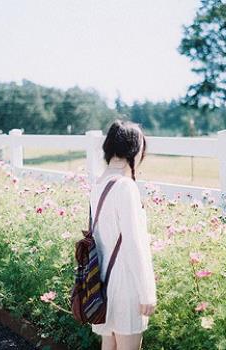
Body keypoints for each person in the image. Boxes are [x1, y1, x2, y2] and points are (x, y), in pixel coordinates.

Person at [89, 119, 157, 350]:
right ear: (134, 151)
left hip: (102, 281)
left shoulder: (99, 183)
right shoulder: (125, 186)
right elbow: (133, 243)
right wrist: (146, 291)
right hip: (126, 282)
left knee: (109, 345)